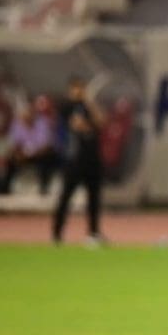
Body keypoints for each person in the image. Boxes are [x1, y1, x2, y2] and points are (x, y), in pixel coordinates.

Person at [51, 77, 105, 245]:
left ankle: (94, 233)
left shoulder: (88, 106)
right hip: (74, 160)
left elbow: (101, 121)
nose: (79, 92)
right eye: (76, 88)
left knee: (94, 199)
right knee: (65, 197)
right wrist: (89, 126)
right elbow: (76, 125)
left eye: (81, 88)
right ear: (70, 90)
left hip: (92, 160)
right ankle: (57, 234)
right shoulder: (67, 107)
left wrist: (89, 102)